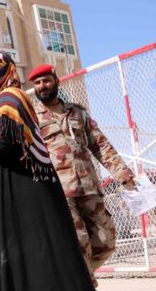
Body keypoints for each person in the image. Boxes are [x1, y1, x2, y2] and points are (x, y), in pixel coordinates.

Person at [0, 50, 95, 291]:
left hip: (21, 191)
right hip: (5, 192)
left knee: (38, 259)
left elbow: (6, 143)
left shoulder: (11, 97)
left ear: (0, 70)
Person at [29, 64, 136, 286]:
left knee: (106, 241)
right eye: (37, 83)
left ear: (55, 81)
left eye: (46, 80)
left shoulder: (77, 112)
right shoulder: (32, 118)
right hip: (59, 191)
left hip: (88, 186)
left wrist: (121, 172)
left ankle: (75, 274)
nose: (42, 86)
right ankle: (84, 282)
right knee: (79, 242)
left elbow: (100, 144)